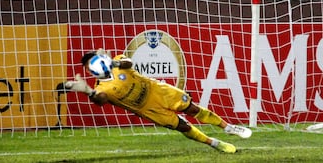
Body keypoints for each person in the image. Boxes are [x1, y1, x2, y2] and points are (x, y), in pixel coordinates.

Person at [64, 48, 252, 153]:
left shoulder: (118, 62)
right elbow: (101, 100)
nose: (95, 66)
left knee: (192, 109)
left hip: (158, 90)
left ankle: (228, 128)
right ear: (90, 72)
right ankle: (214, 143)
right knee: (183, 127)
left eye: (96, 61)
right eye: (91, 66)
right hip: (148, 109)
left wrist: (114, 63)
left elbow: (130, 63)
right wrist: (88, 91)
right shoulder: (100, 88)